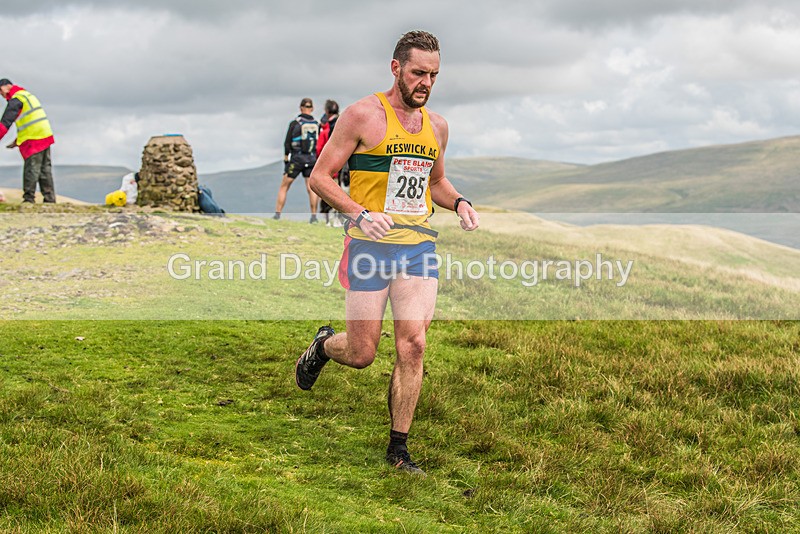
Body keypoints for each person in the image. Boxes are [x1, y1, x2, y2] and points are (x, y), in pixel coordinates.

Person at [297, 30, 480, 475]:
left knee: (413, 344)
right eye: (418, 73)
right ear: (396, 68)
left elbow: (436, 182)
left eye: (434, 75)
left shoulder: (437, 126)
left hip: (417, 248)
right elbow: (320, 177)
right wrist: (359, 214)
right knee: (362, 353)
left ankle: (399, 449)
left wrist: (459, 202)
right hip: (369, 247)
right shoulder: (362, 115)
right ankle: (323, 346)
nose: (426, 83)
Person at [0, 79, 56, 204]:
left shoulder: (16, 100)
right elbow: (30, 120)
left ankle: (28, 199)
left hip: (33, 139)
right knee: (45, 169)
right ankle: (50, 200)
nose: (1, 94)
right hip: (45, 135)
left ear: (6, 87)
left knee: (31, 169)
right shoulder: (27, 96)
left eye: (0, 90)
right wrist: (17, 140)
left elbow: (5, 123)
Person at [274, 98, 320, 223]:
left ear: (300, 108)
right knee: (311, 188)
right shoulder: (317, 124)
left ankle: (277, 214)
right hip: (311, 159)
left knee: (284, 186)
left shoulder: (295, 123)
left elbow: (287, 143)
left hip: (297, 159)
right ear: (312, 108)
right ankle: (314, 216)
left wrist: (286, 159)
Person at [316, 99, 345, 226]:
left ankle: (330, 219)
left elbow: (320, 147)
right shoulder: (343, 122)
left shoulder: (326, 127)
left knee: (328, 192)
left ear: (327, 111)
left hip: (331, 164)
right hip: (343, 164)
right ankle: (337, 219)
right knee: (340, 190)